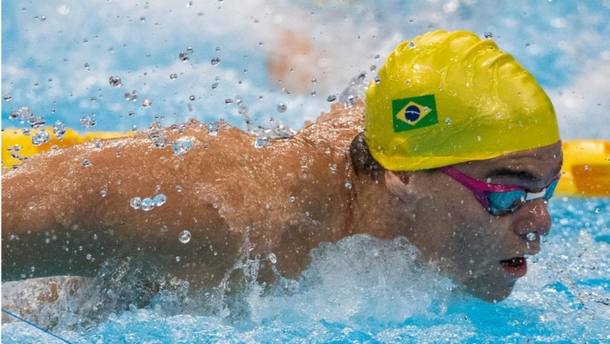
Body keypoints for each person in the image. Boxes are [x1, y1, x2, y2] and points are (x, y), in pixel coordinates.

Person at [2, 30, 562, 304]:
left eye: (547, 190)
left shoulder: (419, 194)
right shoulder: (209, 213)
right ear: (405, 178)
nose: (539, 222)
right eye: (508, 194)